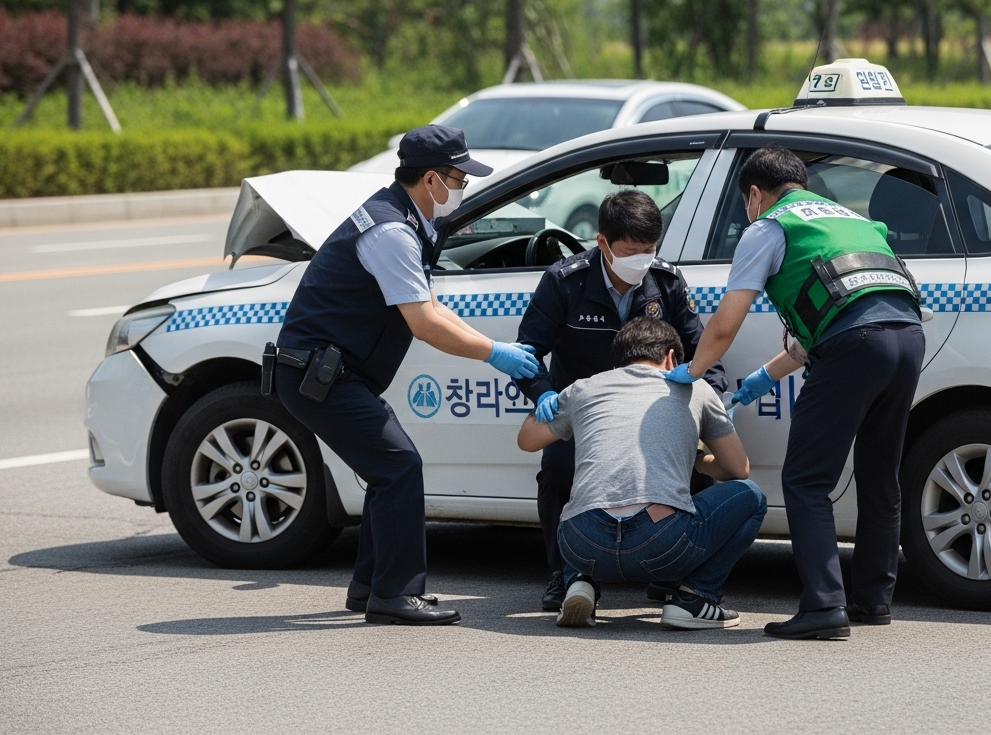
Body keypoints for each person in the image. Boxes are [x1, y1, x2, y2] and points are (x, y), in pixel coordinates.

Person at [273, 125, 541, 626]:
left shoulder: (404, 219)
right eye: (458, 179)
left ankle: (372, 586)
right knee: (398, 465)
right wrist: (493, 354)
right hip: (319, 377)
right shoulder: (391, 231)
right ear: (432, 180)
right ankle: (396, 594)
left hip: (329, 374)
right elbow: (423, 323)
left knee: (386, 468)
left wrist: (494, 346)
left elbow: (434, 308)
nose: (461, 188)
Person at [664, 145, 925, 640]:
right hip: (907, 338)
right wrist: (767, 374)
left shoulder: (768, 227)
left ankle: (824, 606)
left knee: (806, 480)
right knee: (879, 476)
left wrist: (692, 371)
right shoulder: (850, 220)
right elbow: (844, 309)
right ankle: (872, 599)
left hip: (856, 344)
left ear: (755, 194)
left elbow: (725, 324)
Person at [515, 189, 726, 612]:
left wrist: (713, 398)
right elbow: (528, 352)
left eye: (649, 249)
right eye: (631, 251)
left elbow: (701, 350)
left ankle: (674, 576)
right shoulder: (565, 281)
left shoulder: (665, 281)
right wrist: (544, 395)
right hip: (585, 411)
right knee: (558, 469)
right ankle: (568, 574)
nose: (641, 260)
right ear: (603, 244)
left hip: (653, 410)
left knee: (696, 468)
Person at [516, 317, 763, 630]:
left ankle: (580, 582)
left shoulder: (584, 388)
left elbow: (527, 441)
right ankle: (694, 599)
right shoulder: (695, 387)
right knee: (752, 497)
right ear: (672, 358)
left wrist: (544, 401)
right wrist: (699, 460)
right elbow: (738, 469)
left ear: (617, 361)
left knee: (574, 487)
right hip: (660, 543)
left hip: (582, 545)